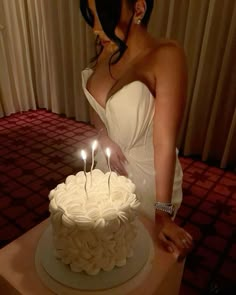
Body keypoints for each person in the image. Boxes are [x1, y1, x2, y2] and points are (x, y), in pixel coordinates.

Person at [80, 0, 193, 258]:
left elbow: (164, 143)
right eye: (92, 15)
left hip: (148, 177)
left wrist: (162, 213)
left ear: (139, 9)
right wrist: (103, 135)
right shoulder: (106, 49)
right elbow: (99, 109)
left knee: (136, 260)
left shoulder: (166, 55)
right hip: (106, 164)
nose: (95, 28)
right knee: (97, 251)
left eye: (104, 14)